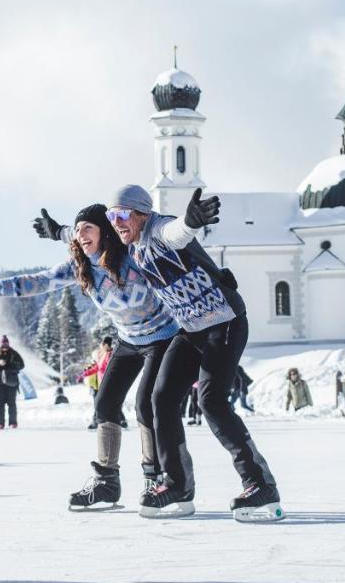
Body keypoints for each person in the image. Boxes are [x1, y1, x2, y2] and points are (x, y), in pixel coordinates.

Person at [45, 185, 281, 522]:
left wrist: (191, 221)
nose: (116, 223)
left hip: (223, 322)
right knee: (161, 399)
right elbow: (82, 231)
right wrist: (58, 232)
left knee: (211, 401)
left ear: (142, 213)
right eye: (112, 217)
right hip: (190, 329)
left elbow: (176, 232)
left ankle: (260, 485)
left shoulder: (157, 230)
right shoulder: (125, 240)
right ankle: (177, 486)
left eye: (123, 215)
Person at [0, 204, 182, 510]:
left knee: (146, 406)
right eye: (78, 230)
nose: (81, 235)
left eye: (88, 229)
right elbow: (33, 283)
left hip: (163, 336)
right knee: (105, 404)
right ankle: (107, 481)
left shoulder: (131, 255)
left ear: (105, 232)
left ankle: (155, 477)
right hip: (129, 340)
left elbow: (170, 256)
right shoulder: (78, 265)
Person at [0, 336, 25, 429]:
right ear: (0, 344)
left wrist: (11, 364)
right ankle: (0, 423)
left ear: (8, 344)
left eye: (6, 344)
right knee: (0, 404)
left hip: (11, 382)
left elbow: (22, 365)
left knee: (12, 403)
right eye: (3, 344)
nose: (4, 346)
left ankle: (13, 423)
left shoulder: (14, 354)